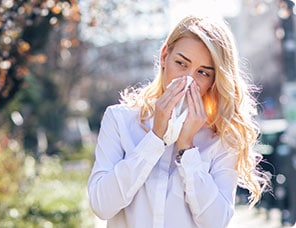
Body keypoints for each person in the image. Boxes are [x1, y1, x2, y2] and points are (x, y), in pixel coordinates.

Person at [87, 14, 269, 228]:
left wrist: (187, 148)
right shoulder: (120, 120)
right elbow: (101, 205)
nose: (188, 80)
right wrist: (154, 139)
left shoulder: (220, 138)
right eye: (181, 64)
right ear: (165, 57)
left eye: (202, 72)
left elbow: (217, 223)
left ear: (213, 80)